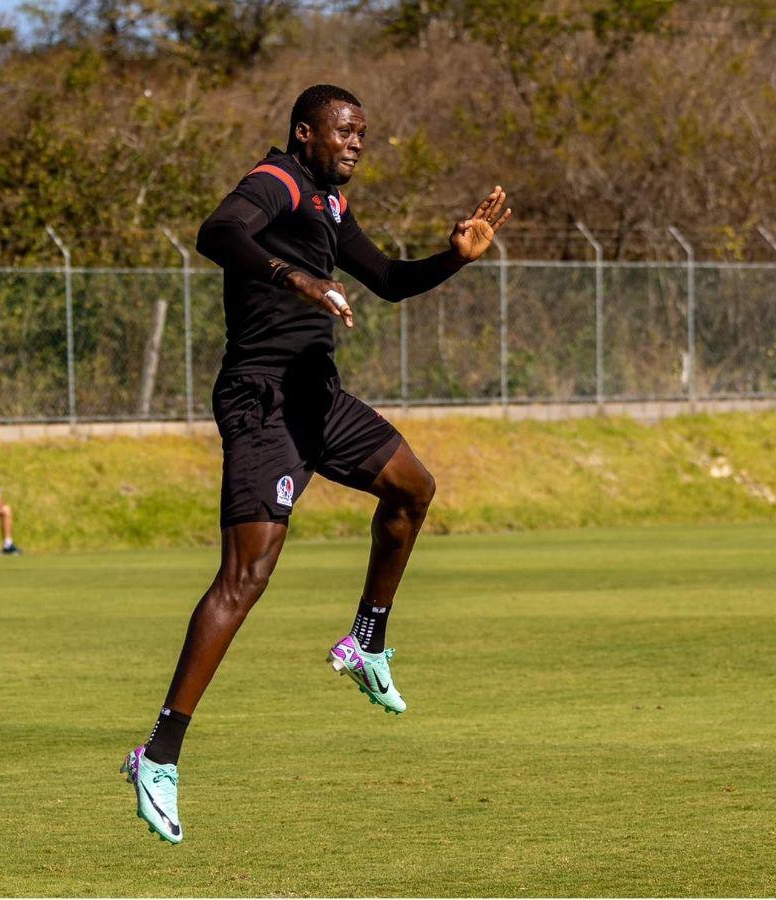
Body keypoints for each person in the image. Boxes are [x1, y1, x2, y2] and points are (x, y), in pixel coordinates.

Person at [120, 83, 512, 844]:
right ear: (305, 134)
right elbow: (218, 231)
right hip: (261, 399)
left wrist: (453, 259)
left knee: (411, 489)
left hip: (316, 395)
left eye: (364, 132)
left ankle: (365, 641)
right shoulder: (279, 181)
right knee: (247, 578)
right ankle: (158, 755)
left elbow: (391, 282)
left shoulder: (330, 206)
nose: (357, 143)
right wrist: (293, 278)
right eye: (344, 131)